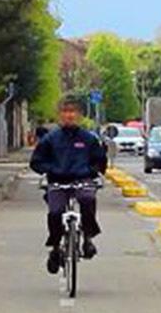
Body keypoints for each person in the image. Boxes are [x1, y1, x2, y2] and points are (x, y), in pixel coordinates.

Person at [30, 97, 108, 274]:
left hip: (83, 179)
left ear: (79, 115)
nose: (69, 115)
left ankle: (87, 238)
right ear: (60, 115)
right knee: (55, 212)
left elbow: (100, 160)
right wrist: (51, 170)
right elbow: (36, 162)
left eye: (73, 112)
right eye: (65, 112)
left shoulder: (89, 139)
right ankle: (56, 248)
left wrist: (92, 172)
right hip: (58, 181)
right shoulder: (51, 139)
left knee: (87, 198)